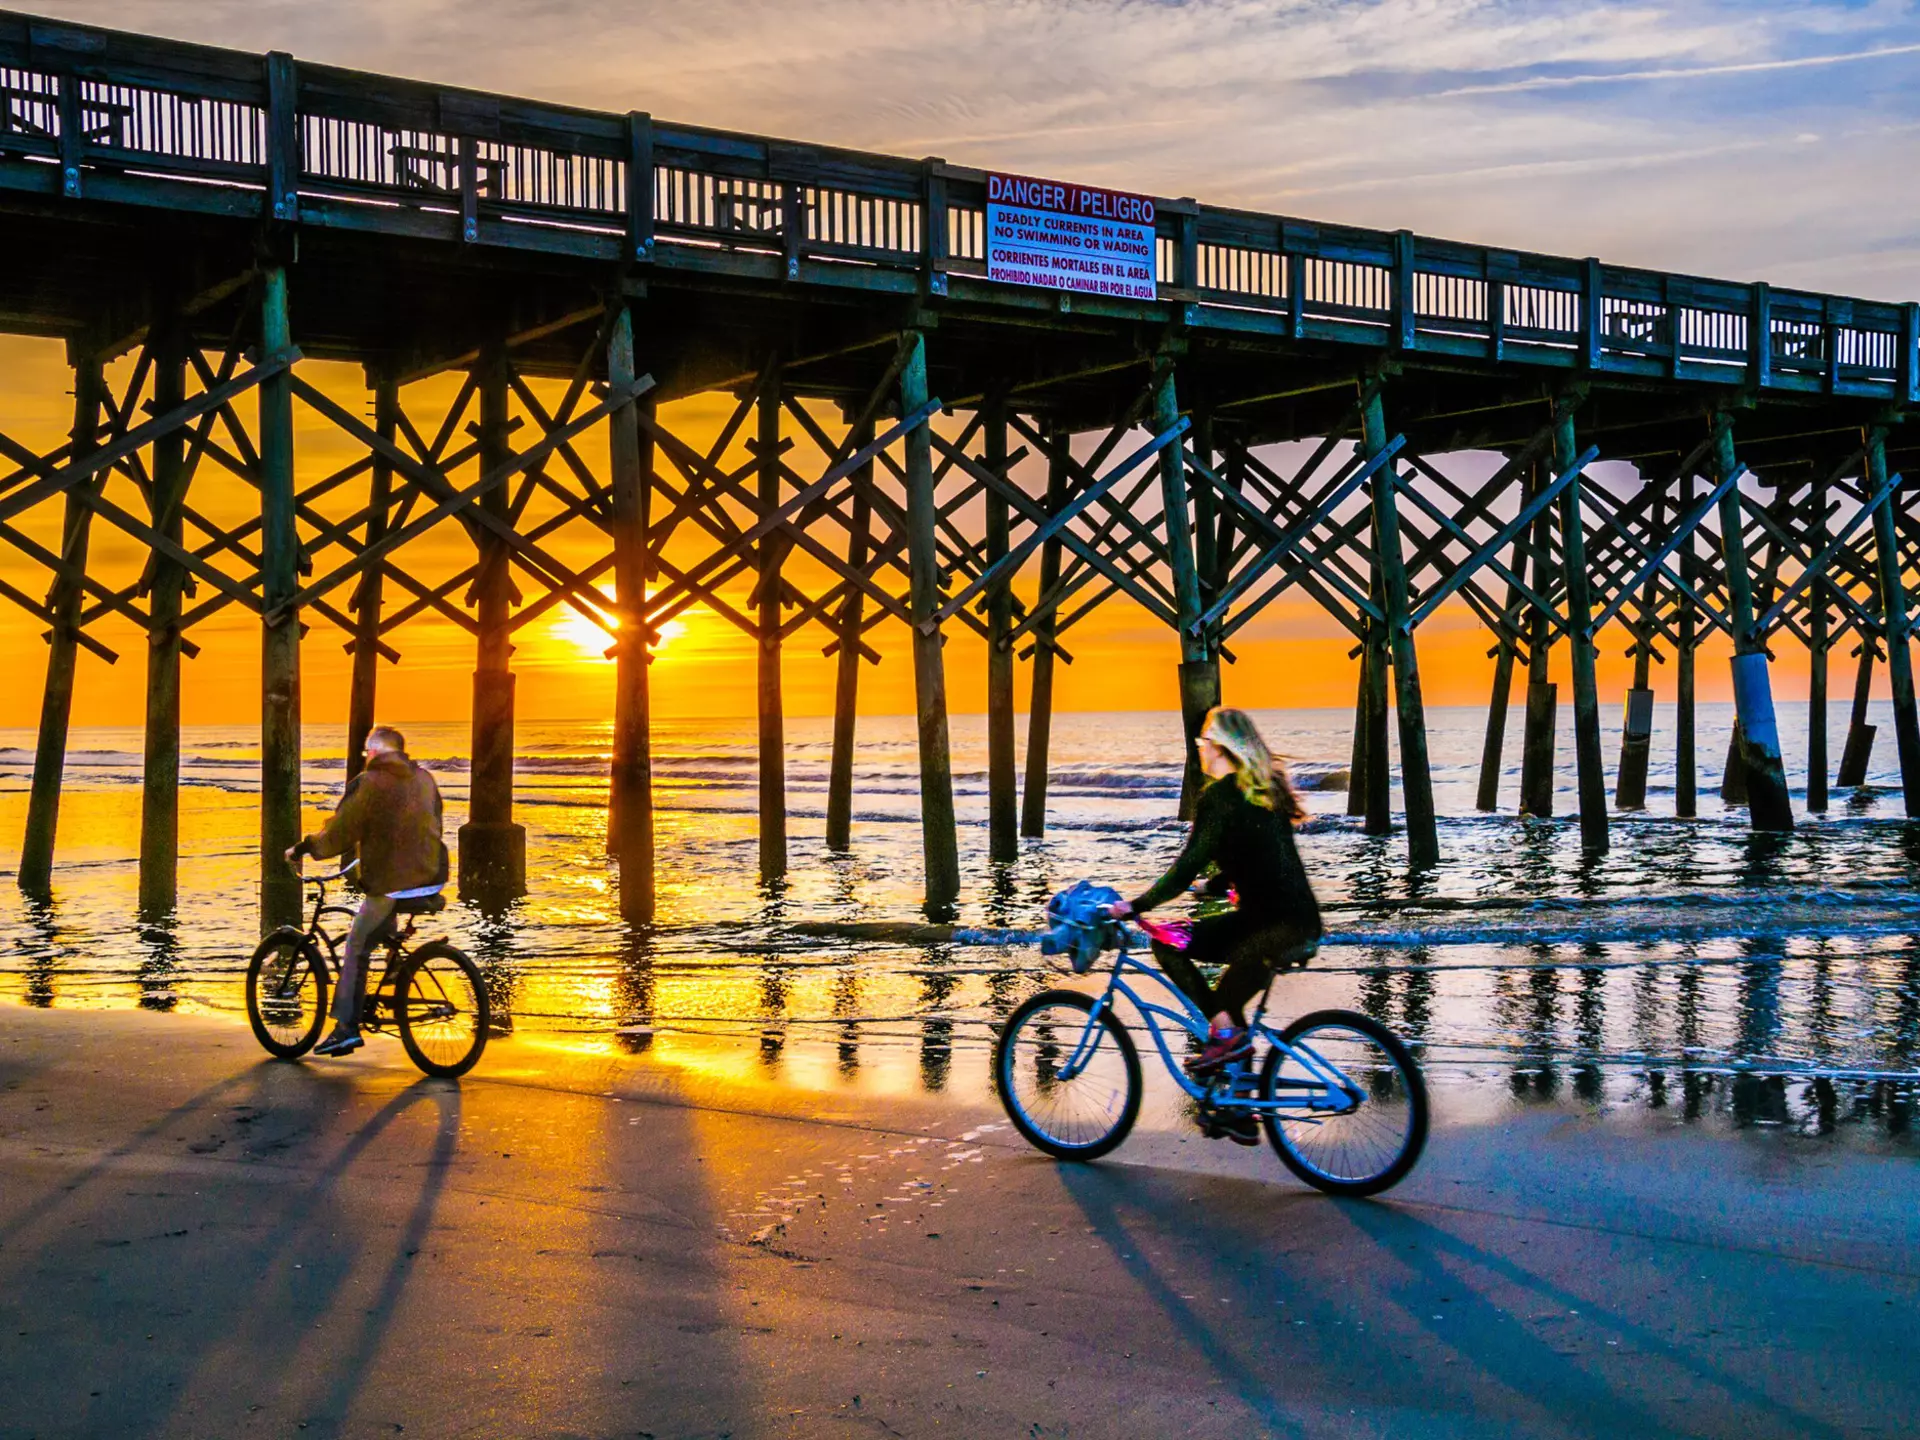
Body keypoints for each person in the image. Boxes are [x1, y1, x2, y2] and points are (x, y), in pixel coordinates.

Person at [1105, 707, 1322, 1141]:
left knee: (1169, 946)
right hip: (1297, 922)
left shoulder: (1221, 797)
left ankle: (1223, 1037)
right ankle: (1237, 1109)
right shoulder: (1265, 792)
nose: (1200, 747)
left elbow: (1185, 867)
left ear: (1221, 748)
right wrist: (1218, 883)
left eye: (1205, 741)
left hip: (1266, 930)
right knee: (1231, 1006)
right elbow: (1263, 856)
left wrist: (1136, 904)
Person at [286, 725, 448, 1057]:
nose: (366, 757)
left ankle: (346, 1028)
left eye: (367, 751)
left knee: (357, 944)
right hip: (432, 876)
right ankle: (397, 969)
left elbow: (341, 832)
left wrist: (304, 848)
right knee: (381, 926)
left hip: (394, 883)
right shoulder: (424, 779)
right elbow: (432, 821)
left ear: (375, 751)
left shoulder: (370, 783)